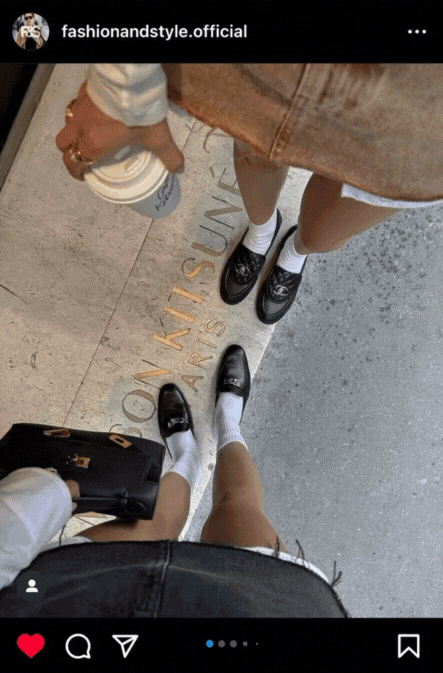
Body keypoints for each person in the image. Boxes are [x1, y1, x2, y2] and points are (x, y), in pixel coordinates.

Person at [56, 64, 443, 324]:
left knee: (325, 231)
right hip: (275, 73)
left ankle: (296, 252)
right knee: (258, 156)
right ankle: (262, 231)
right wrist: (120, 79)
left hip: (420, 113)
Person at [0, 345, 348, 617]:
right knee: (236, 508)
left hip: (75, 596)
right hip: (262, 605)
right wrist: (51, 492)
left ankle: (188, 457)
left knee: (153, 523)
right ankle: (226, 422)